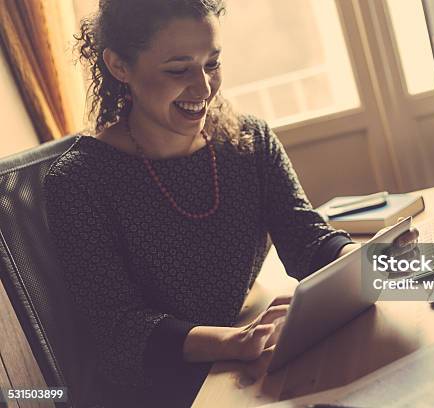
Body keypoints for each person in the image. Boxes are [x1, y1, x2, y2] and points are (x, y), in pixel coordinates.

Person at [42, 0, 358, 406]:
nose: (204, 88)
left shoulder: (249, 141)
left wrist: (363, 262)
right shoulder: (79, 182)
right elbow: (120, 333)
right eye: (178, 69)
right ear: (120, 66)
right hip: (164, 388)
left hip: (240, 361)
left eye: (212, 63)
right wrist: (232, 342)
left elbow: (305, 237)